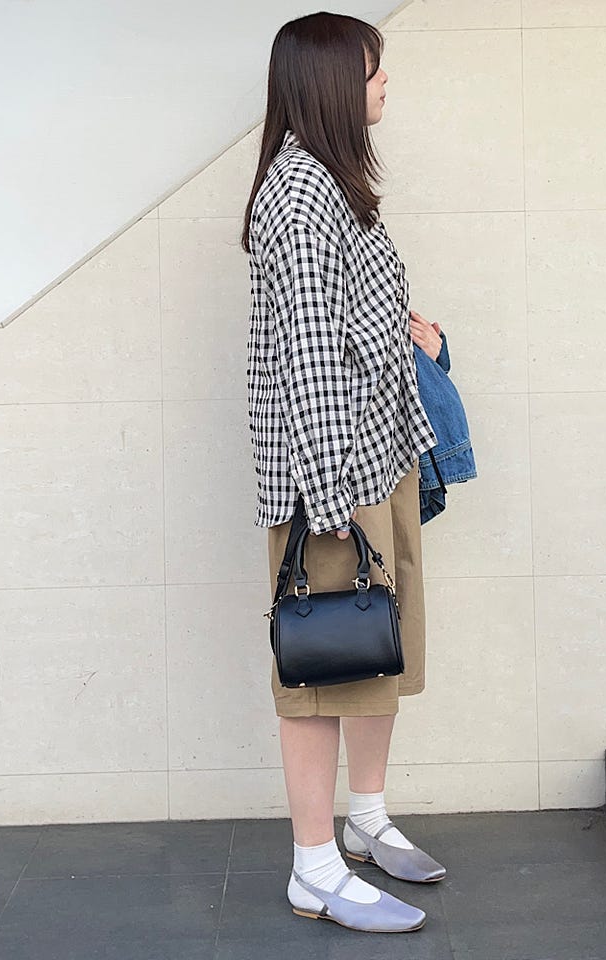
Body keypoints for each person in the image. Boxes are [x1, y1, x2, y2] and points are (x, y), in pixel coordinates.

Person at [241, 11, 447, 934]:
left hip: (374, 456)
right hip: (333, 475)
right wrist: (328, 501)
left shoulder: (334, 183)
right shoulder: (300, 196)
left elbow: (344, 320)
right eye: (373, 71)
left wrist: (407, 333)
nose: (384, 83)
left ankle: (364, 819)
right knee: (322, 669)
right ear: (330, 84)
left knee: (374, 649)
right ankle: (314, 867)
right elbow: (310, 357)